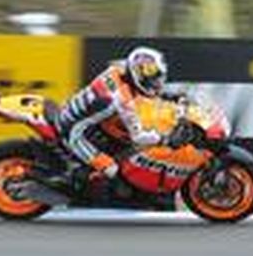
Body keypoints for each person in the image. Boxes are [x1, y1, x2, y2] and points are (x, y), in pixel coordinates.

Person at [53, 46, 173, 189]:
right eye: (152, 80)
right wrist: (164, 138)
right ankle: (74, 182)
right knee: (112, 170)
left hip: (77, 112)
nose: (155, 84)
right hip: (73, 132)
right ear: (137, 74)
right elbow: (138, 137)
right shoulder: (121, 100)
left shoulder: (117, 69)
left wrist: (169, 98)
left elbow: (140, 97)